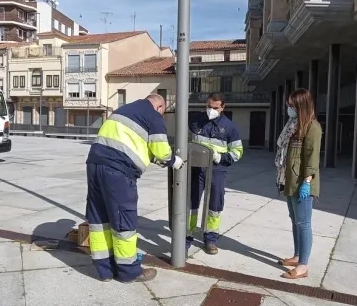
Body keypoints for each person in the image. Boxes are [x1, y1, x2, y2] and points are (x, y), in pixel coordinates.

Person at [86, 94, 184, 283]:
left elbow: (133, 144)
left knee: (99, 218)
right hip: (118, 171)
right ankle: (129, 271)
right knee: (124, 220)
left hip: (94, 164)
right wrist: (174, 161)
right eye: (163, 112)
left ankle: (105, 271)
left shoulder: (123, 110)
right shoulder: (153, 116)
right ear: (159, 107)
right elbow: (161, 152)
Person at [188, 92, 243, 255]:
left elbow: (237, 152)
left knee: (214, 205)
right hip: (196, 168)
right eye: (208, 106)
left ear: (223, 107)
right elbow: (186, 141)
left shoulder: (230, 127)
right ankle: (187, 235)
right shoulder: (195, 120)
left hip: (217, 169)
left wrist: (221, 158)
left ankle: (210, 238)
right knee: (191, 203)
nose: (211, 110)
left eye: (215, 108)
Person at [275, 88, 322, 280]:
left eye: (292, 105)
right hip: (289, 180)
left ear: (302, 106)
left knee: (303, 223)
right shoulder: (292, 126)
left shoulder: (312, 127)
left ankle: (303, 266)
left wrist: (307, 181)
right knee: (295, 220)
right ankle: (297, 256)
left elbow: (312, 157)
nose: (289, 108)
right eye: (288, 104)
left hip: (302, 182)